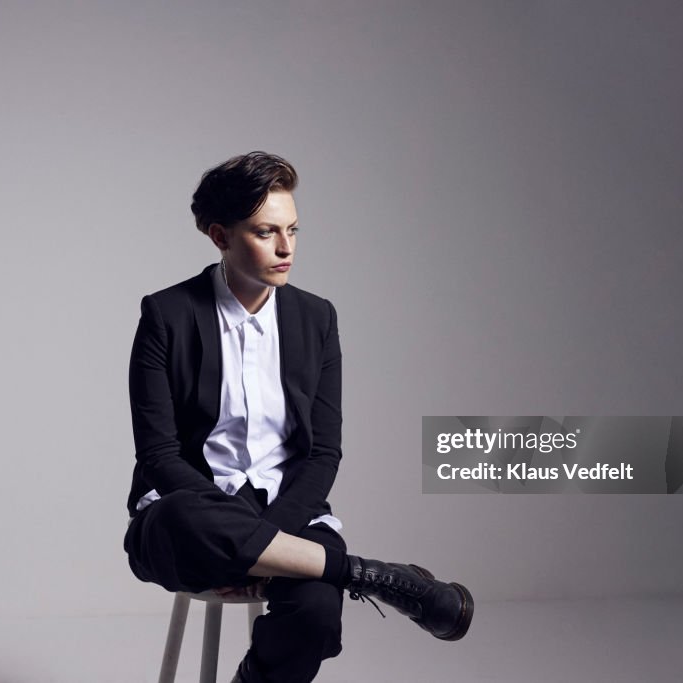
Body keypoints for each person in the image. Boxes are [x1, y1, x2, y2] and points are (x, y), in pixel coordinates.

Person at [123, 151, 474, 682]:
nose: (286, 248)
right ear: (220, 236)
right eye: (266, 232)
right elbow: (158, 456)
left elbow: (322, 452)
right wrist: (238, 536)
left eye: (293, 230)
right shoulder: (167, 314)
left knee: (314, 613)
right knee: (181, 518)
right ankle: (382, 579)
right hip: (190, 516)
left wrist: (259, 539)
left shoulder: (315, 318)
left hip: (287, 509)